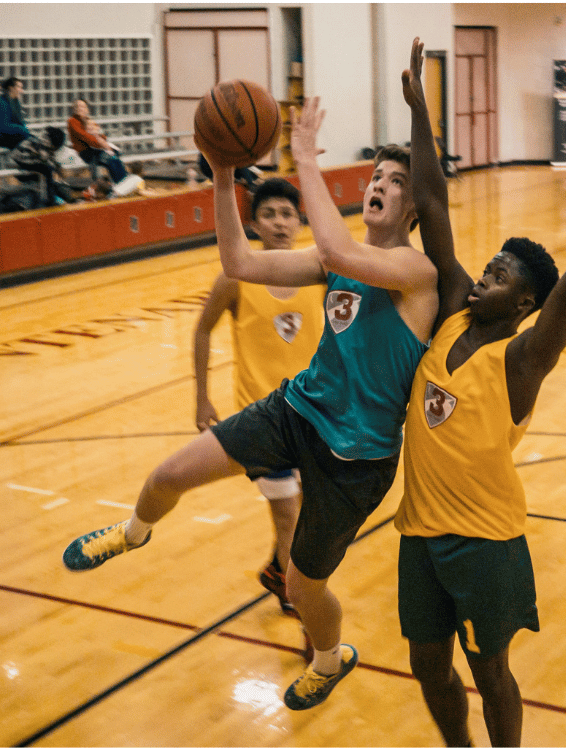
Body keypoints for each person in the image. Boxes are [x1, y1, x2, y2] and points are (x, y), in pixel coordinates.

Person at [62, 101, 439, 711]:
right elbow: (238, 264)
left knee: (302, 581)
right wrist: (218, 175)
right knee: (168, 475)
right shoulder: (332, 261)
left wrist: (307, 158)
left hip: (358, 456)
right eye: (376, 177)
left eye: (396, 182)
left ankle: (328, 658)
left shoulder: (413, 271)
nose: (380, 187)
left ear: (416, 206)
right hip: (296, 411)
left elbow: (343, 254)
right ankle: (133, 533)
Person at [399, 37, 566, 748]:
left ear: (526, 304)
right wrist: (420, 110)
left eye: (507, 272)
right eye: (494, 261)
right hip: (419, 531)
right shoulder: (455, 308)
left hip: (487, 538)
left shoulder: (523, 358)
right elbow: (431, 201)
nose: (491, 268)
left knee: (490, 671)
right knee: (427, 664)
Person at [192, 177, 326, 621]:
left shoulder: (319, 275)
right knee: (288, 513)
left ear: (300, 221)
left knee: (306, 512)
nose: (280, 223)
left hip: (313, 413)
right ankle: (295, 596)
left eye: (287, 214)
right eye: (269, 214)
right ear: (253, 223)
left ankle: (276, 568)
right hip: (262, 419)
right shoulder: (236, 278)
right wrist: (202, 399)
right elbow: (202, 330)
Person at [67, 98, 129, 184]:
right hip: (85, 151)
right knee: (111, 158)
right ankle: (119, 183)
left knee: (115, 159)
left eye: (82, 106)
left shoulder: (88, 120)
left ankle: (123, 181)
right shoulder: (73, 121)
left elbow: (101, 135)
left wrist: (102, 142)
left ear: (87, 109)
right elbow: (85, 137)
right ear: (74, 109)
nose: (80, 108)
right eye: (77, 106)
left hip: (95, 149)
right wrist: (102, 144)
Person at [10, 126, 75, 206]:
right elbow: (45, 158)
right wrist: (57, 169)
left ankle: (52, 198)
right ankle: (50, 201)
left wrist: (57, 168)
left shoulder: (43, 138)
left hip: (23, 159)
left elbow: (49, 157)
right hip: (20, 160)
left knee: (47, 172)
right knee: (48, 171)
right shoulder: (42, 143)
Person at [0, 76, 32, 149]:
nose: (22, 91)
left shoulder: (15, 103)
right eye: (19, 87)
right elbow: (3, 126)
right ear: (11, 88)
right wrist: (23, 130)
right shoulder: (2, 102)